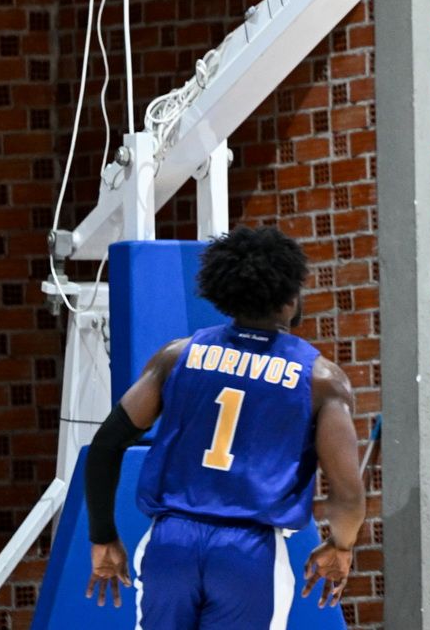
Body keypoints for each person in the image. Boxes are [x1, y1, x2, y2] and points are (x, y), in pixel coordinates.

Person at [83, 225, 366, 624]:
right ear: (290, 297)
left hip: (171, 543)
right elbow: (347, 492)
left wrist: (102, 536)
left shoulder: (176, 357)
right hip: (248, 551)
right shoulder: (322, 380)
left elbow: (105, 445)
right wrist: (341, 545)